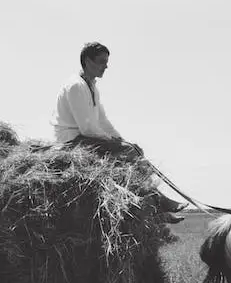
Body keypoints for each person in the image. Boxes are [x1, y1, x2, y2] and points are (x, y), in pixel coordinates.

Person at [51, 42, 186, 222]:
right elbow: (87, 128)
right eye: (101, 61)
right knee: (129, 153)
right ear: (87, 61)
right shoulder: (76, 86)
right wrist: (114, 142)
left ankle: (154, 205)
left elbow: (102, 121)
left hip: (85, 138)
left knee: (134, 149)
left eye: (106, 61)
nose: (106, 66)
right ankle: (158, 203)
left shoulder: (92, 87)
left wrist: (122, 139)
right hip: (72, 141)